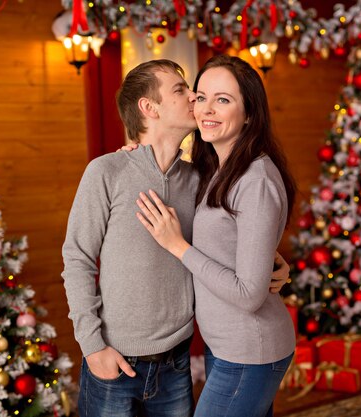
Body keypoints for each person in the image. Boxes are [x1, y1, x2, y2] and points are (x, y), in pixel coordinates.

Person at [61, 59, 288, 417]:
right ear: (149, 108)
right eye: (184, 91)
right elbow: (77, 259)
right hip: (114, 361)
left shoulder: (201, 177)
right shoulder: (107, 171)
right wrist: (92, 347)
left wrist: (274, 263)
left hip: (176, 364)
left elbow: (229, 239)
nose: (196, 101)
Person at [136, 55, 296, 417]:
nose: (207, 109)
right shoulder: (216, 168)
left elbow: (249, 294)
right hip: (226, 346)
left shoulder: (255, 179)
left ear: (250, 113)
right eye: (201, 96)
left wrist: (179, 247)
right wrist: (135, 154)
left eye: (223, 99)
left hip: (249, 351)